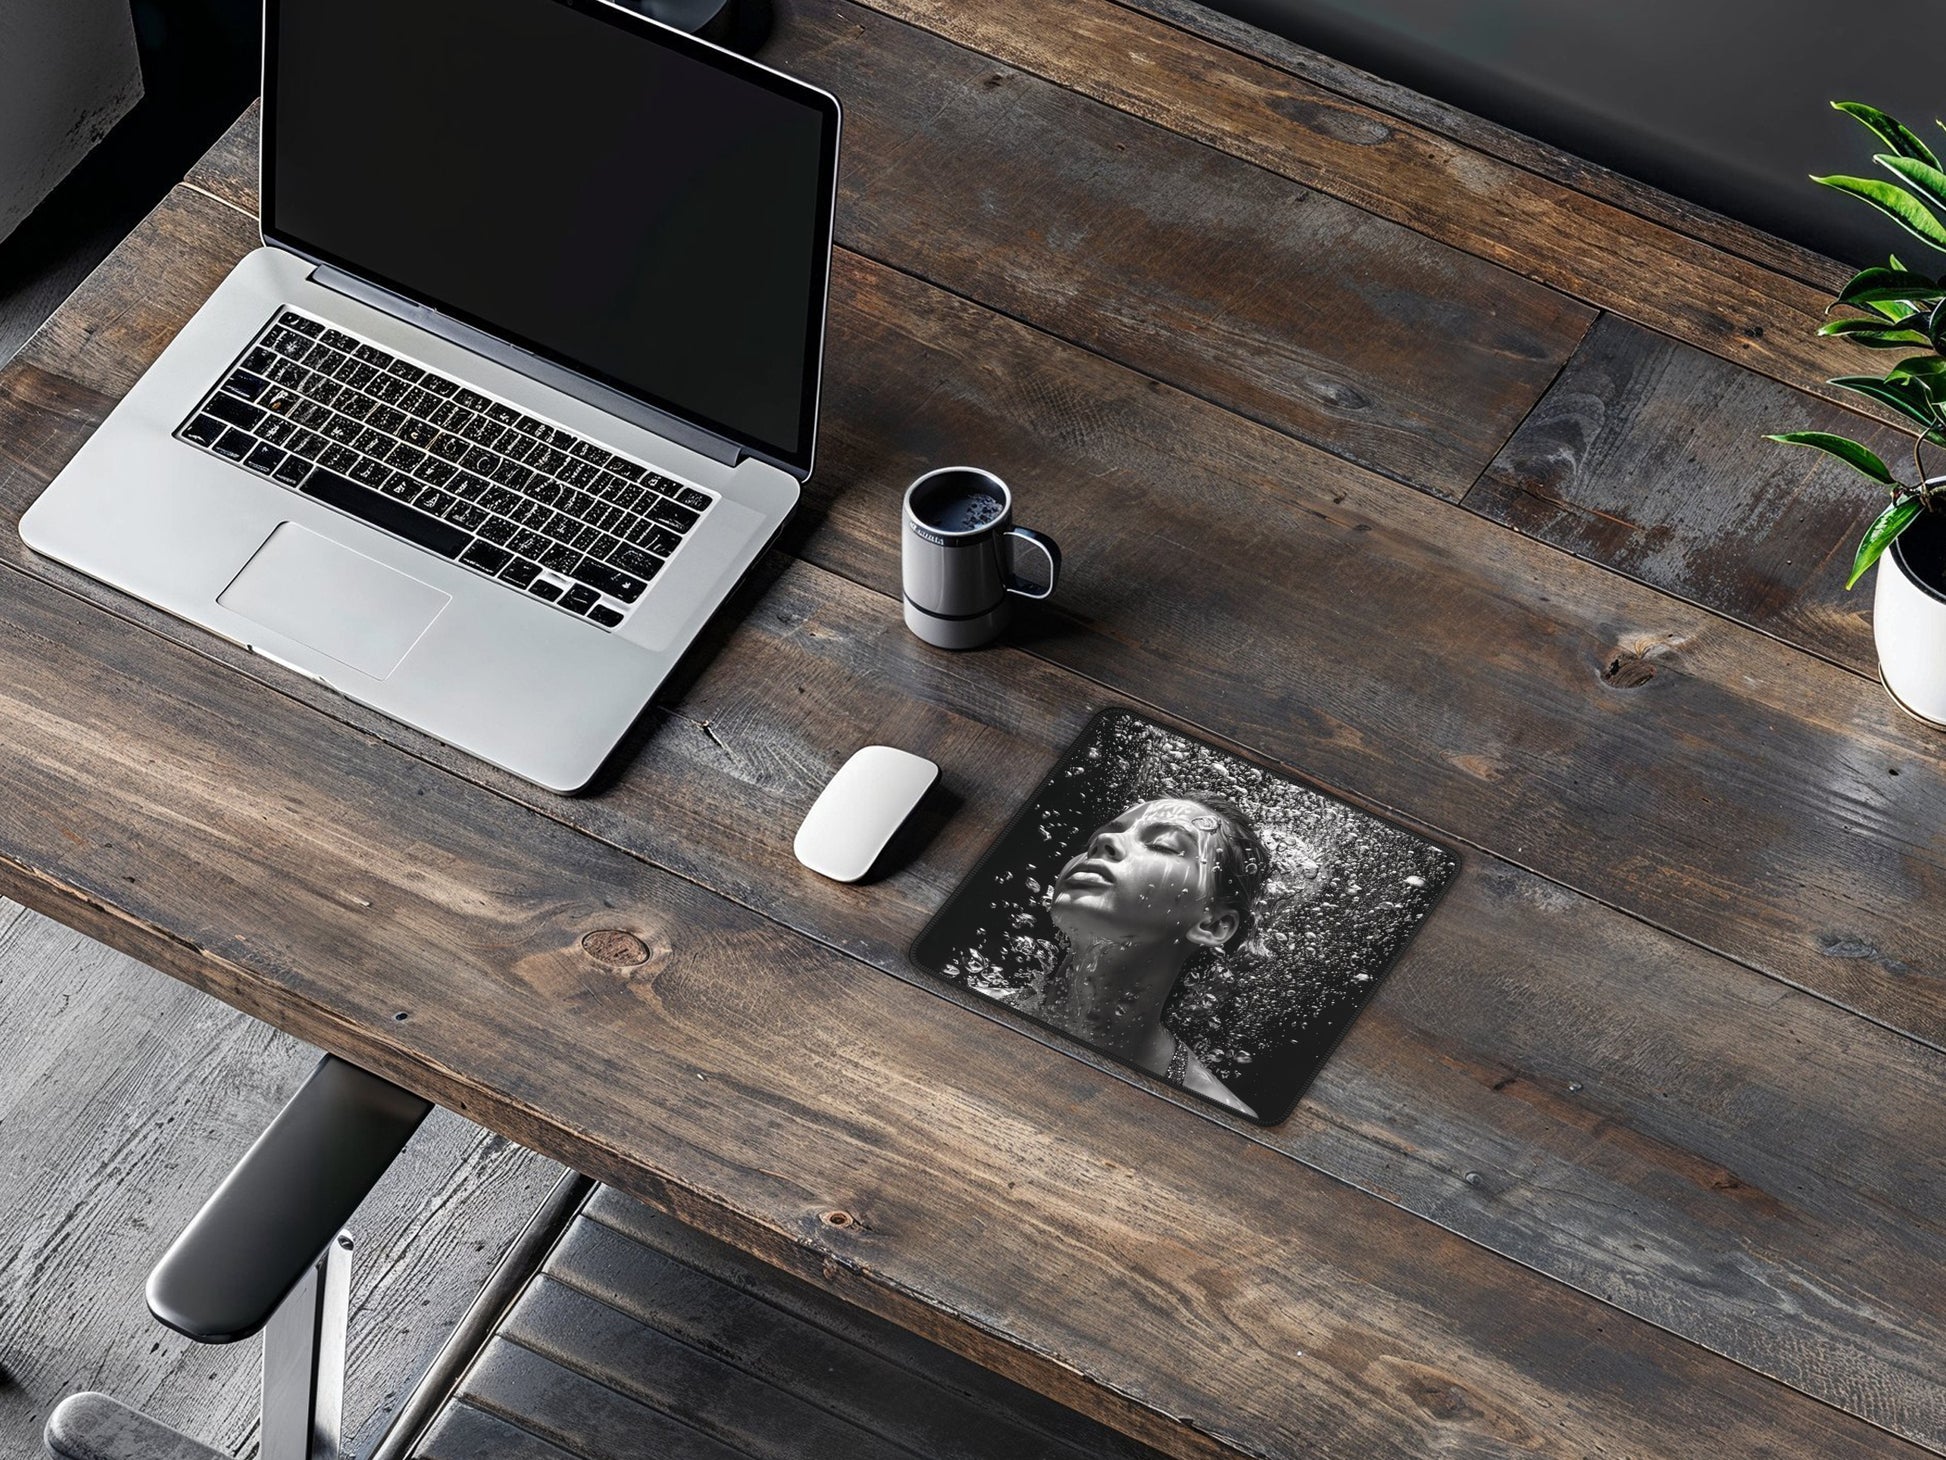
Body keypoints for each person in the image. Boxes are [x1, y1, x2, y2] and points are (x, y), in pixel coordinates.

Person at [1038, 793, 1267, 1118]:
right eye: (1100, 835)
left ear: (1213, 924)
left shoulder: (1217, 1118)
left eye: (1164, 845)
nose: (1104, 842)